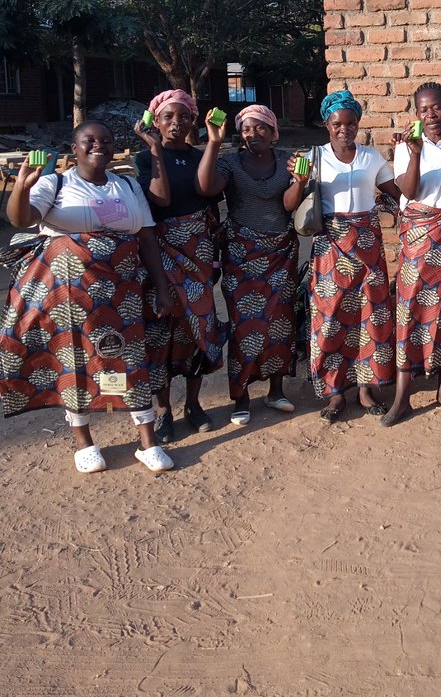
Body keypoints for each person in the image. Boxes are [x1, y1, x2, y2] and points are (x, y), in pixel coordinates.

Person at [0, 121, 175, 473]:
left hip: (123, 292)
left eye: (105, 141)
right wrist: (21, 186)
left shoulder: (125, 185)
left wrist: (161, 284)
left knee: (130, 359)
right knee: (74, 359)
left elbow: (146, 238)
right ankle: (84, 440)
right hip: (67, 294)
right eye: (89, 140)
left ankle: (147, 441)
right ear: (74, 146)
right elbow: (21, 218)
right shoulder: (55, 183)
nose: (98, 145)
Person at [196, 103, 305, 426]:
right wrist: (214, 143)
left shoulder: (288, 160)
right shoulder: (230, 162)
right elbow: (205, 188)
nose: (252, 134)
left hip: (281, 252)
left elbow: (288, 205)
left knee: (279, 321)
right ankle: (241, 396)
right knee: (245, 325)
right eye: (245, 128)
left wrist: (299, 180)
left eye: (260, 128)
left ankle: (275, 389)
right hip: (242, 254)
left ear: (274, 132)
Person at [381, 82, 441, 428]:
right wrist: (416, 153)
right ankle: (403, 396)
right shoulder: (407, 149)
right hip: (419, 242)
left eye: (436, 107)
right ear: (416, 115)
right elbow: (408, 191)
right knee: (410, 312)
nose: (431, 115)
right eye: (423, 110)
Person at [134, 89, 227, 443]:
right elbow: (160, 198)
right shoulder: (145, 160)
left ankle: (193, 404)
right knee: (160, 332)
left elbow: (208, 196)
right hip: (160, 255)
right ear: (154, 121)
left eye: (184, 117)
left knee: (198, 328)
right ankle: (162, 411)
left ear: (194, 121)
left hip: (198, 254)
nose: (177, 124)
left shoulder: (203, 156)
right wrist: (154, 148)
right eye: (168, 117)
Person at [309, 90, 401, 422]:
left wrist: (403, 155)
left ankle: (366, 388)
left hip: (368, 247)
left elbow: (397, 194)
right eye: (337, 124)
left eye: (350, 123)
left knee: (371, 315)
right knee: (331, 317)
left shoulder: (372, 158)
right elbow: (293, 202)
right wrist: (298, 178)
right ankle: (335, 393)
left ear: (358, 123)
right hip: (330, 246)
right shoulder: (314, 157)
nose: (344, 129)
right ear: (326, 124)